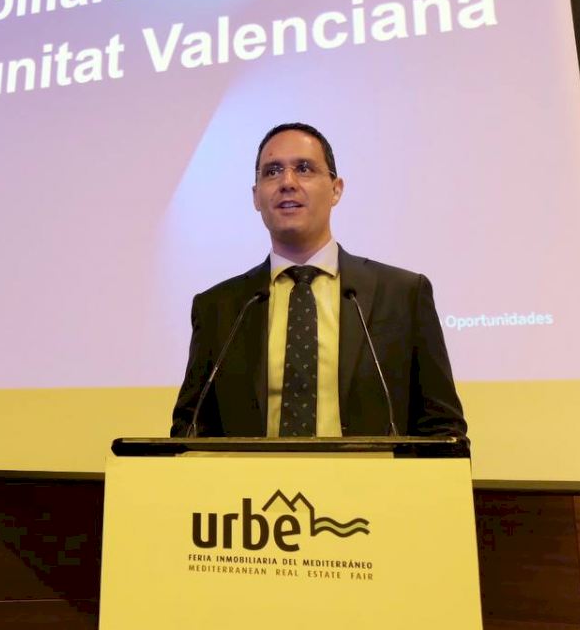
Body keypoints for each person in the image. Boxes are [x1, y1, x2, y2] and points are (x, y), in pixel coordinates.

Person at [170, 122, 466, 439]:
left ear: (336, 189)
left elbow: (441, 428)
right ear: (256, 197)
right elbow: (191, 430)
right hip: (253, 475)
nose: (287, 182)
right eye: (272, 172)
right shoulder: (219, 308)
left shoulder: (403, 295)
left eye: (304, 169)